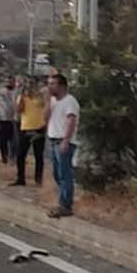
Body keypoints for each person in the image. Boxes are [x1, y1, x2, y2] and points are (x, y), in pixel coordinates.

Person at [45, 73, 81, 218]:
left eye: (53, 84)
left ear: (62, 86)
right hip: (53, 139)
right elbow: (45, 117)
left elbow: (71, 121)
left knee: (65, 173)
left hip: (63, 140)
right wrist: (47, 102)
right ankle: (64, 199)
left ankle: (65, 205)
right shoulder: (53, 101)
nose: (50, 86)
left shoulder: (70, 101)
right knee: (57, 173)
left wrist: (66, 140)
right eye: (49, 83)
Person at [13, 77, 47, 186]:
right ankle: (20, 178)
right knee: (21, 154)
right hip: (26, 127)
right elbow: (18, 110)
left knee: (38, 155)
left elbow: (46, 107)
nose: (30, 86)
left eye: (32, 83)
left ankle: (38, 179)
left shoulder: (41, 96)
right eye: (28, 84)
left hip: (39, 127)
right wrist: (21, 97)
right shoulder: (22, 96)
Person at [0, 77, 18, 165]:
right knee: (3, 140)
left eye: (12, 81)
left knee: (14, 140)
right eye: (8, 81)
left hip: (14, 119)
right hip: (3, 119)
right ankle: (4, 157)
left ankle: (12, 157)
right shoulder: (0, 92)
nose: (10, 83)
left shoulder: (17, 92)